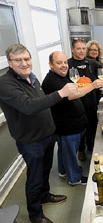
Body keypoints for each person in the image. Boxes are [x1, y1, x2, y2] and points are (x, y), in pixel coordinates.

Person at [0, 44, 77, 223]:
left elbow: (41, 102)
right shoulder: (5, 84)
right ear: (10, 63)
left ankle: (45, 195)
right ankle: (35, 215)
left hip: (47, 135)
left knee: (45, 170)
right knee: (34, 179)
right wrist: (61, 93)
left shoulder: (31, 78)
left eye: (27, 59)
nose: (24, 63)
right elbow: (28, 106)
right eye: (18, 60)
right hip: (31, 141)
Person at [42, 51, 103, 186]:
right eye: (59, 63)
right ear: (51, 64)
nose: (64, 65)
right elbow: (71, 95)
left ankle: (63, 171)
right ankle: (74, 178)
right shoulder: (51, 81)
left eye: (65, 62)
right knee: (70, 153)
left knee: (65, 151)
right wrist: (92, 85)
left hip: (75, 123)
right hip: (66, 126)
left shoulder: (62, 76)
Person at [68, 39, 103, 161]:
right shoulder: (68, 64)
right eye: (78, 48)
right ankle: (80, 150)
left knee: (92, 127)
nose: (81, 51)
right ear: (73, 49)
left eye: (83, 48)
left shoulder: (91, 63)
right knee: (80, 130)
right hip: (76, 104)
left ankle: (91, 146)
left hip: (91, 102)